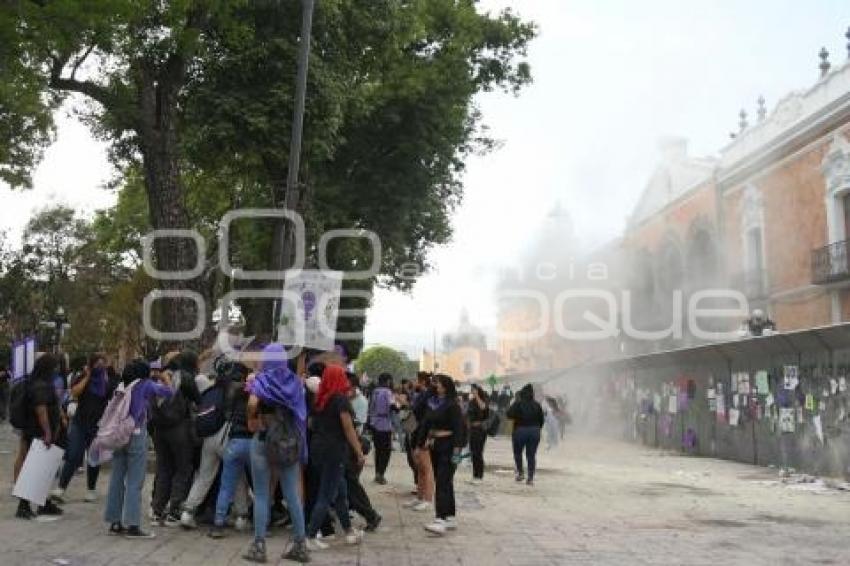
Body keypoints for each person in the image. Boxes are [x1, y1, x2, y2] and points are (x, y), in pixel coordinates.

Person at [242, 343, 310, 563]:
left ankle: (259, 546)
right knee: (292, 494)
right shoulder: (295, 384)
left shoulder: (261, 380)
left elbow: (253, 402)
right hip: (288, 442)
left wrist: (252, 418)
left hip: (263, 440)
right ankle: (300, 545)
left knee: (262, 494)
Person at [104, 359, 173, 539]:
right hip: (136, 434)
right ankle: (133, 525)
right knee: (135, 481)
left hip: (119, 435)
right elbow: (168, 392)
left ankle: (115, 522)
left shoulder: (121, 385)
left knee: (117, 479)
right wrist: (165, 378)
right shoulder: (146, 385)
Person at [181, 356, 251, 530]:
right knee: (237, 477)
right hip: (228, 436)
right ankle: (242, 517)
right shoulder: (238, 388)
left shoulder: (212, 389)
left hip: (209, 437)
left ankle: (188, 512)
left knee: (204, 476)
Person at [304, 364, 366, 551]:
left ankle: (348, 531)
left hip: (318, 450)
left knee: (341, 493)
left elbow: (312, 424)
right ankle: (310, 536)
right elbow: (348, 428)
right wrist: (359, 452)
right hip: (334, 452)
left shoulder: (320, 399)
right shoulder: (340, 399)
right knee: (326, 495)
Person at [53, 354, 119, 503]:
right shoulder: (84, 377)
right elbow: (75, 392)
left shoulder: (107, 380)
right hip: (80, 422)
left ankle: (91, 489)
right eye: (97, 364)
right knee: (73, 455)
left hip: (97, 425)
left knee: (93, 458)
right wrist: (87, 376)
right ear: (91, 365)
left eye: (102, 364)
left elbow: (113, 398)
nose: (100, 367)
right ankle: (61, 488)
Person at [150, 351, 201, 526]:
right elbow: (197, 398)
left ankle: (157, 510)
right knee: (183, 469)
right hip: (179, 428)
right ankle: (175, 509)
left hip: (159, 429)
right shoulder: (185, 376)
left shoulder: (159, 375)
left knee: (164, 468)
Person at [13, 354, 65, 519]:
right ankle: (23, 506)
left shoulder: (38, 382)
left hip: (37, 434)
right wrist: (48, 432)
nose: (56, 370)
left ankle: (42, 503)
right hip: (38, 434)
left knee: (44, 470)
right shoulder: (40, 386)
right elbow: (41, 409)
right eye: (54, 367)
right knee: (33, 470)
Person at [420, 374, 464, 535]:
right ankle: (450, 517)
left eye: (437, 383)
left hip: (449, 446)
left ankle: (440, 519)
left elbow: (460, 429)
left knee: (443, 483)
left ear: (445, 386)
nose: (434, 386)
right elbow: (427, 422)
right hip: (436, 446)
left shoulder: (453, 405)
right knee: (445, 481)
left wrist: (457, 452)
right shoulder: (434, 403)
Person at [344, 372, 382, 532]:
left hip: (352, 448)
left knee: (351, 484)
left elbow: (354, 429)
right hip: (348, 447)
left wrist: (359, 453)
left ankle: (371, 515)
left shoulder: (360, 402)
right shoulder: (346, 399)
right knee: (349, 485)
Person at [404, 372, 435, 512]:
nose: (414, 382)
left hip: (424, 432)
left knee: (426, 468)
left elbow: (423, 414)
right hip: (418, 431)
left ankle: (427, 499)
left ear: (422, 381)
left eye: (416, 379)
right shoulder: (422, 394)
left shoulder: (428, 396)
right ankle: (420, 496)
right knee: (420, 468)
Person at [507, 384, 544, 486]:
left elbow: (509, 414)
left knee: (518, 453)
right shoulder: (537, 405)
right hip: (535, 431)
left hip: (520, 430)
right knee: (531, 455)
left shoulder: (518, 403)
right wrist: (536, 429)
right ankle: (530, 478)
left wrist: (515, 402)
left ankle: (520, 473)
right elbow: (541, 420)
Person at [368, 372, 394, 485]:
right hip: (385, 424)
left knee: (378, 450)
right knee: (386, 451)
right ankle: (381, 474)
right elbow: (393, 406)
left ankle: (377, 473)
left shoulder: (375, 391)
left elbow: (371, 407)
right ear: (388, 381)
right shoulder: (388, 392)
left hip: (375, 423)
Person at [467, 384, 490, 484]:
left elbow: (483, 408)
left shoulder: (483, 400)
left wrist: (477, 396)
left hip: (480, 430)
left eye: (473, 389)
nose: (472, 391)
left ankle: (479, 476)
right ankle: (475, 474)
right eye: (472, 390)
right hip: (472, 429)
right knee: (473, 453)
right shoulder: (471, 402)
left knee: (478, 452)